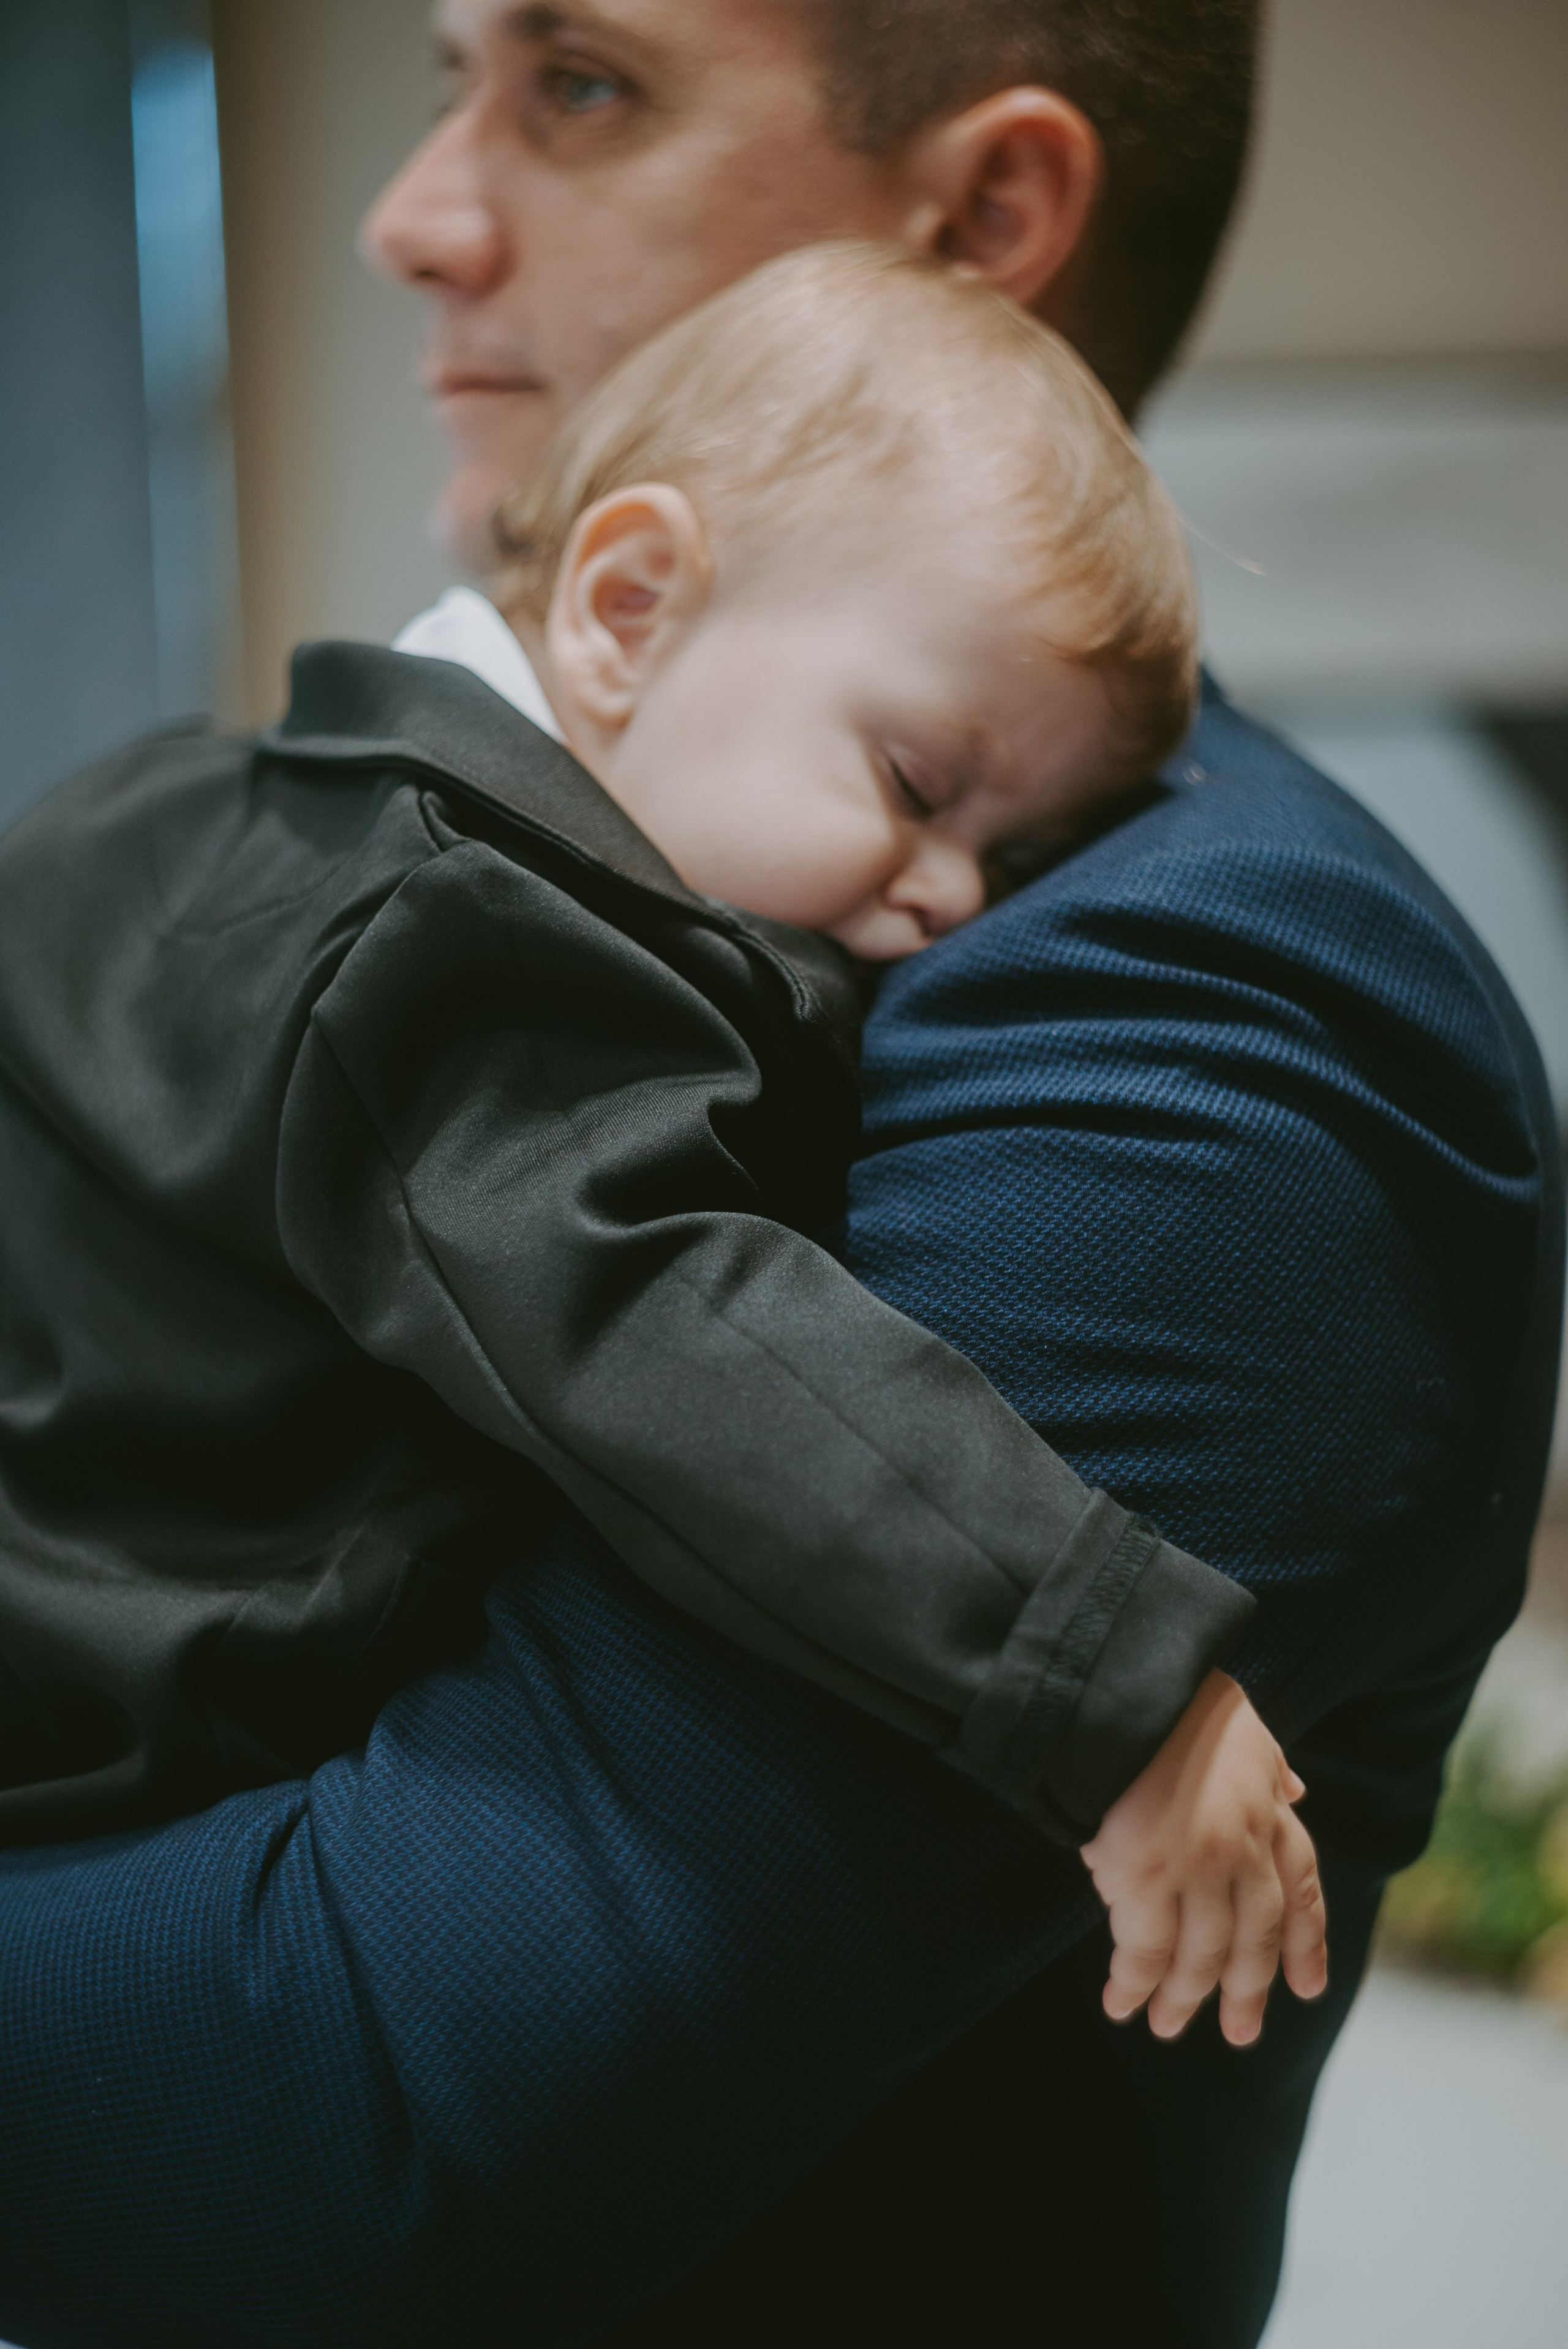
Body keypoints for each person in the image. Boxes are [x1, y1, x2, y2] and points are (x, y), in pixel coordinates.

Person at [0, 4, 1556, 2345]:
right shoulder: (421, 876)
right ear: (624, 609)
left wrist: (1104, 1667)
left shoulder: (1219, 1001)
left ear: (988, 217)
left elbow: (329, 2126)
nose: (411, 215)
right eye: (451, 82)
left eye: (587, 85)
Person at [0, 244, 1314, 2012]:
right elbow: (667, 1324)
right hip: (92, 1721)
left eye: (1009, 864)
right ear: (630, 607)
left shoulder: (229, 795)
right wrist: (1110, 1672)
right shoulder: (462, 934)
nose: (949, 901)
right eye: (919, 787)